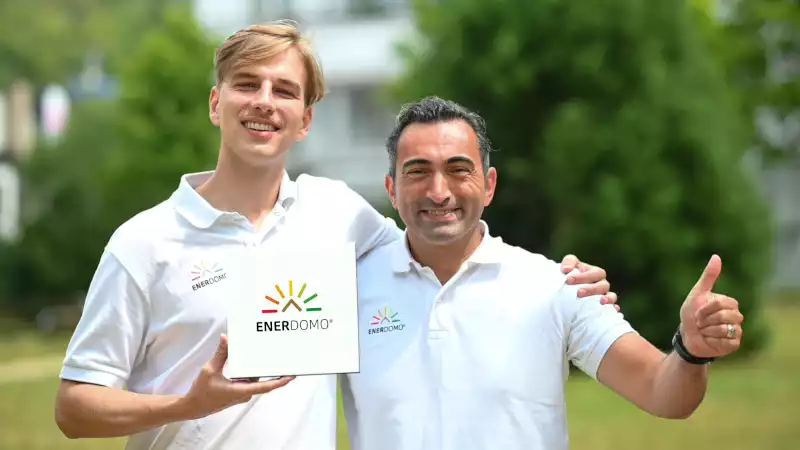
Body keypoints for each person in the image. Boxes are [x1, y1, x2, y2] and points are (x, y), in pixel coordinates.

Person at [53, 22, 614, 450]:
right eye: (247, 84)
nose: (264, 102)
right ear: (216, 103)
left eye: (285, 90)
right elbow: (74, 407)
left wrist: (556, 278)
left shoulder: (339, 214)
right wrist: (182, 405)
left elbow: (438, 246)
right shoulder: (144, 242)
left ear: (305, 119)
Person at [341, 96, 745, 450]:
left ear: (489, 185)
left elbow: (664, 394)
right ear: (391, 189)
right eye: (418, 171)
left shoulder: (555, 286)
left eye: (458, 169)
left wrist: (692, 350)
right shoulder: (348, 289)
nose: (439, 191)